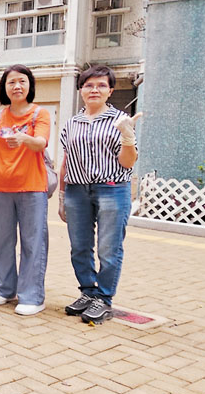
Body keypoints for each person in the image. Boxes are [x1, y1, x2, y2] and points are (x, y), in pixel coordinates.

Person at [59, 65, 142, 324]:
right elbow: (66, 159)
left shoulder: (120, 120)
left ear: (110, 91)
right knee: (79, 248)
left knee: (109, 249)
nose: (94, 90)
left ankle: (104, 299)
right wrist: (62, 195)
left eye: (101, 85)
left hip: (112, 188)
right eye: (89, 85)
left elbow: (128, 162)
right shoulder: (72, 122)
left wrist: (127, 137)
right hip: (76, 190)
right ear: (81, 90)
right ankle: (88, 292)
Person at [0, 65, 51, 316]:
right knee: (2, 241)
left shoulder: (39, 114)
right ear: (5, 88)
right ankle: (5, 288)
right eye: (11, 82)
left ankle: (32, 296)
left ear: (30, 85)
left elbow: (41, 144)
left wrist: (24, 139)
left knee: (33, 242)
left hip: (32, 188)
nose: (17, 86)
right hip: (1, 188)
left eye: (22, 81)